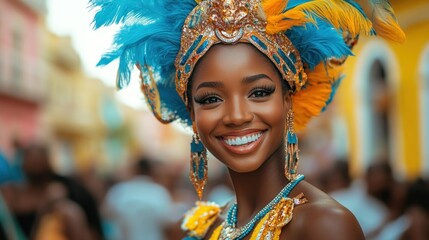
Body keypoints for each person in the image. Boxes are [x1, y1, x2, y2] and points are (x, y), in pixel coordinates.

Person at [91, 0, 405, 239]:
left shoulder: (324, 225)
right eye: (211, 99)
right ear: (192, 112)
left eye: (258, 92)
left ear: (287, 100)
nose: (237, 116)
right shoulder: (208, 224)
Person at [103, 157, 172, 240]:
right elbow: (168, 223)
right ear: (152, 172)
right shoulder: (159, 192)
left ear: (135, 170)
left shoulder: (118, 191)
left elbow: (106, 217)